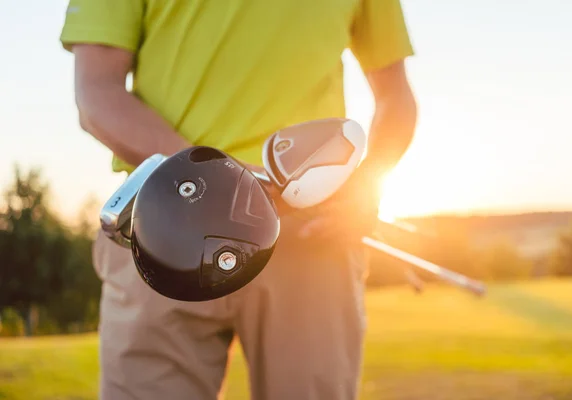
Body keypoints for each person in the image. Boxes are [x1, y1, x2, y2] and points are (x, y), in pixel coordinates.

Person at [59, 0, 417, 399]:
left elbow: (395, 97)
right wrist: (210, 180)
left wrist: (367, 181)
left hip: (313, 238)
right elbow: (97, 92)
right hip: (162, 229)